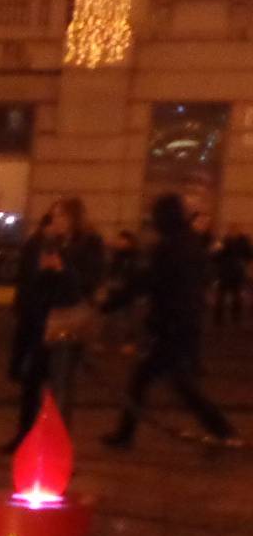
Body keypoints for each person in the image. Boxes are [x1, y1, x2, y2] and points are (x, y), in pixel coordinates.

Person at [103, 192, 242, 450]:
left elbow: (147, 281)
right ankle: (125, 434)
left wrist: (111, 302)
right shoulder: (190, 243)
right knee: (156, 381)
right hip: (184, 323)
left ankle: (224, 431)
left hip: (171, 326)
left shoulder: (168, 246)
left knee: (172, 384)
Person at [4, 199, 104, 448]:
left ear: (73, 218)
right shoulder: (46, 242)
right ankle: (25, 434)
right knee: (31, 379)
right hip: (40, 319)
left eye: (59, 215)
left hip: (67, 322)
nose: (54, 220)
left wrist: (62, 268)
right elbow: (32, 282)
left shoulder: (89, 244)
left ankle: (57, 443)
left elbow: (85, 285)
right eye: (52, 215)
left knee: (60, 383)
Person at [214, 224, 252, 326]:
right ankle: (224, 317)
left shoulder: (235, 241)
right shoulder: (224, 241)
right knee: (225, 295)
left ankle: (230, 317)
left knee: (233, 295)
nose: (233, 231)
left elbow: (248, 255)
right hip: (228, 272)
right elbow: (217, 256)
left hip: (232, 272)